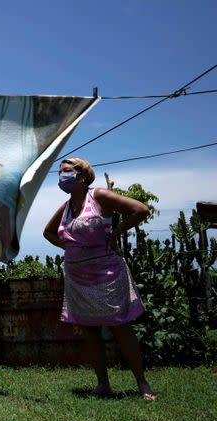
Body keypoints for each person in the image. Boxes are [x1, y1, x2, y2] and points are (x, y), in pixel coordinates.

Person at [43, 157, 156, 400]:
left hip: (105, 272)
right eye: (59, 173)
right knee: (88, 329)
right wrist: (70, 247)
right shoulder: (65, 208)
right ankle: (103, 384)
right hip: (76, 275)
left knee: (119, 325)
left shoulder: (99, 196)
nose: (62, 176)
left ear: (82, 175)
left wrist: (115, 233)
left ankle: (142, 384)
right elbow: (48, 232)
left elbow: (140, 210)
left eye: (67, 171)